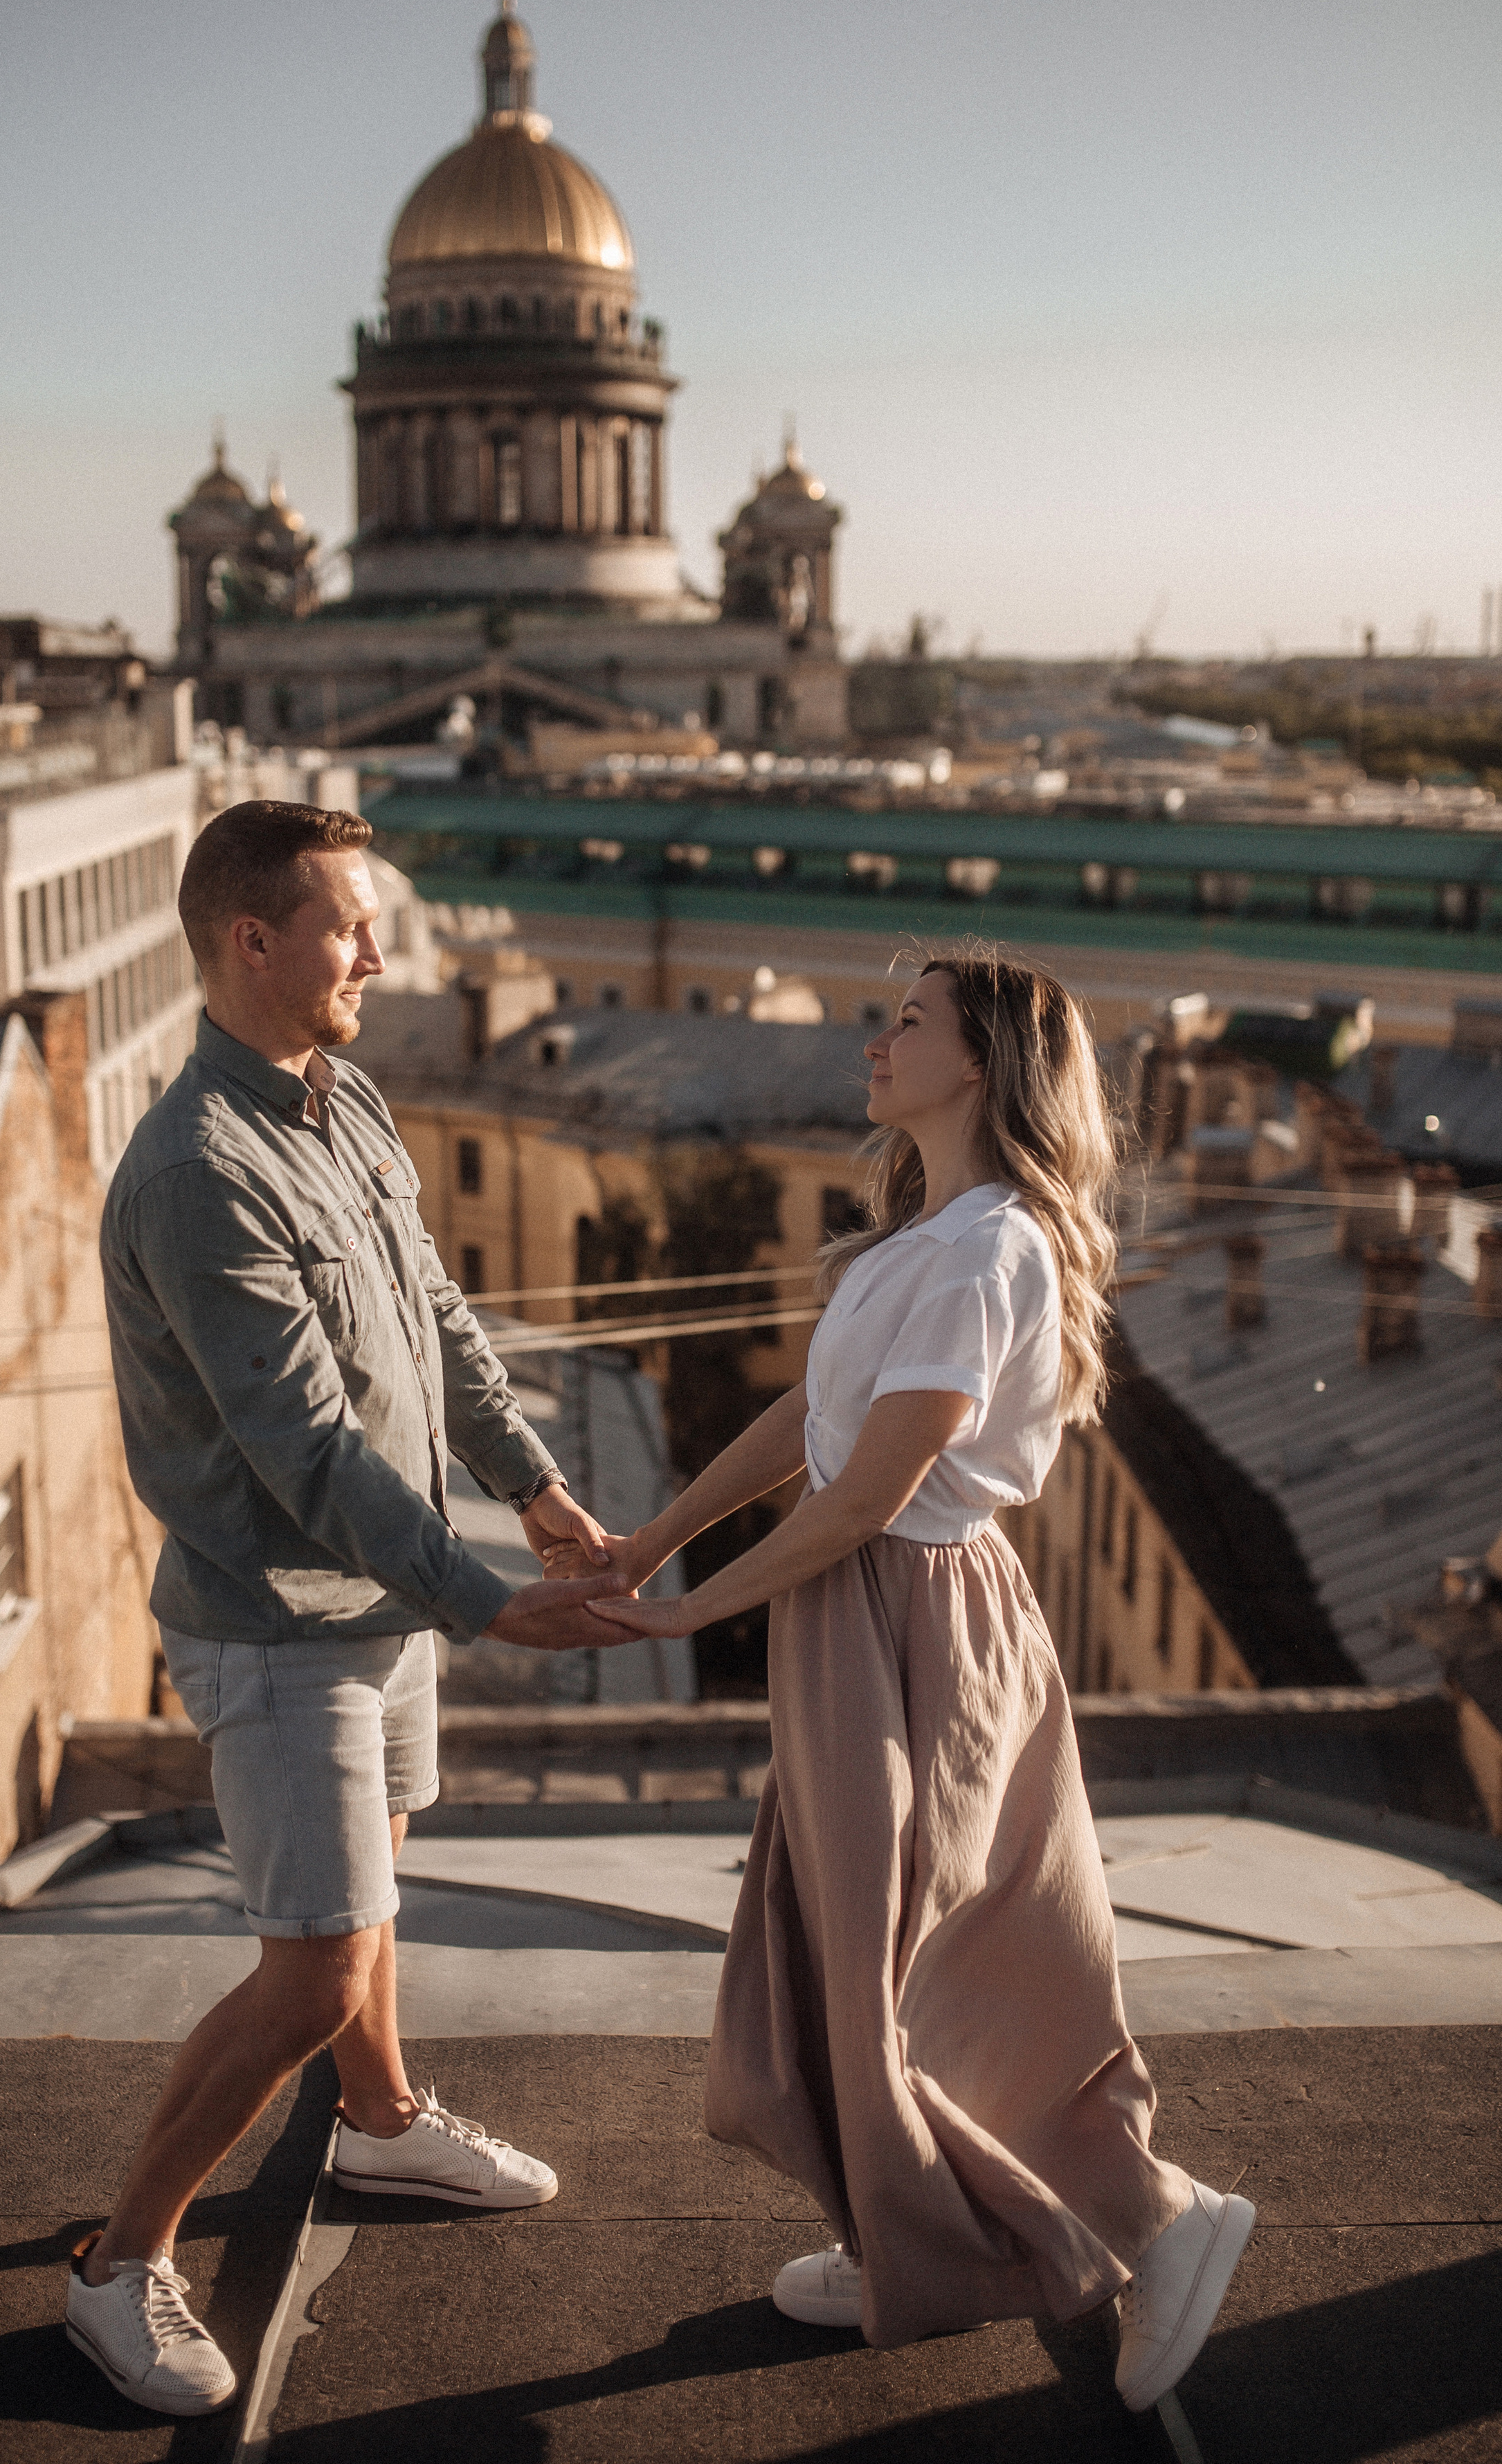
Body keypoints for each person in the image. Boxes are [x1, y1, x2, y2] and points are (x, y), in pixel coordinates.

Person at [579, 951, 1254, 2415]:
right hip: (875, 1612)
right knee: (852, 1942)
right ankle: (913, 2234)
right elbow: (806, 1427)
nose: (874, 1043)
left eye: (906, 1024)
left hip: (907, 1615)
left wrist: (685, 1608)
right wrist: (648, 1540)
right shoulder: (923, 1235)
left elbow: (861, 1501)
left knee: (935, 1958)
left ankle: (1151, 2220)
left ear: (982, 1067)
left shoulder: (981, 1252)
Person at [69, 800, 632, 2418]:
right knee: (312, 1963)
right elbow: (305, 1447)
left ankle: (379, 2133)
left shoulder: (343, 1096)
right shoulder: (196, 1172)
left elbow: (432, 1312)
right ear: (254, 943)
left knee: (368, 1898)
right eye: (348, 927)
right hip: (276, 1620)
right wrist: (482, 1597)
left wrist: (525, 1478)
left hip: (373, 1602)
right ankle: (116, 2266)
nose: (378, 954)